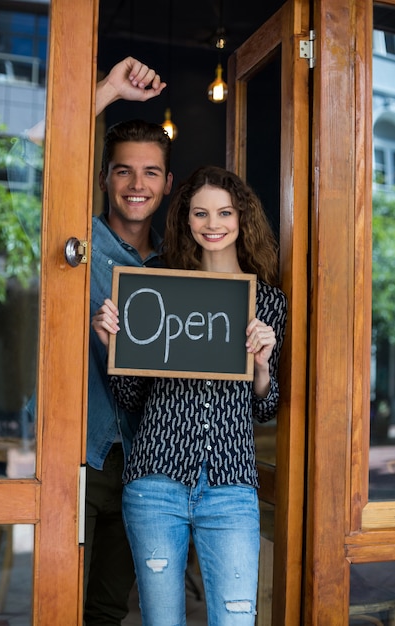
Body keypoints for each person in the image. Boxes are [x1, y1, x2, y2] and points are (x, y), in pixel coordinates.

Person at [92, 165, 288, 625]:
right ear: (186, 220)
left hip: (231, 483)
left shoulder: (268, 302)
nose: (213, 224)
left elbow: (264, 407)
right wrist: (112, 346)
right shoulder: (160, 284)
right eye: (200, 214)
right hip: (156, 479)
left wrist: (261, 366)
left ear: (242, 218)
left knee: (236, 619)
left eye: (224, 212)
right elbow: (132, 395)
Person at [19, 56, 173, 625]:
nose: (137, 185)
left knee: (108, 611)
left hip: (141, 464)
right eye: (124, 171)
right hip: (69, 455)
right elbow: (19, 154)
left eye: (150, 172)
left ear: (167, 183)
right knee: (52, 604)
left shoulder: (176, 271)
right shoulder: (72, 239)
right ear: (105, 177)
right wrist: (106, 89)